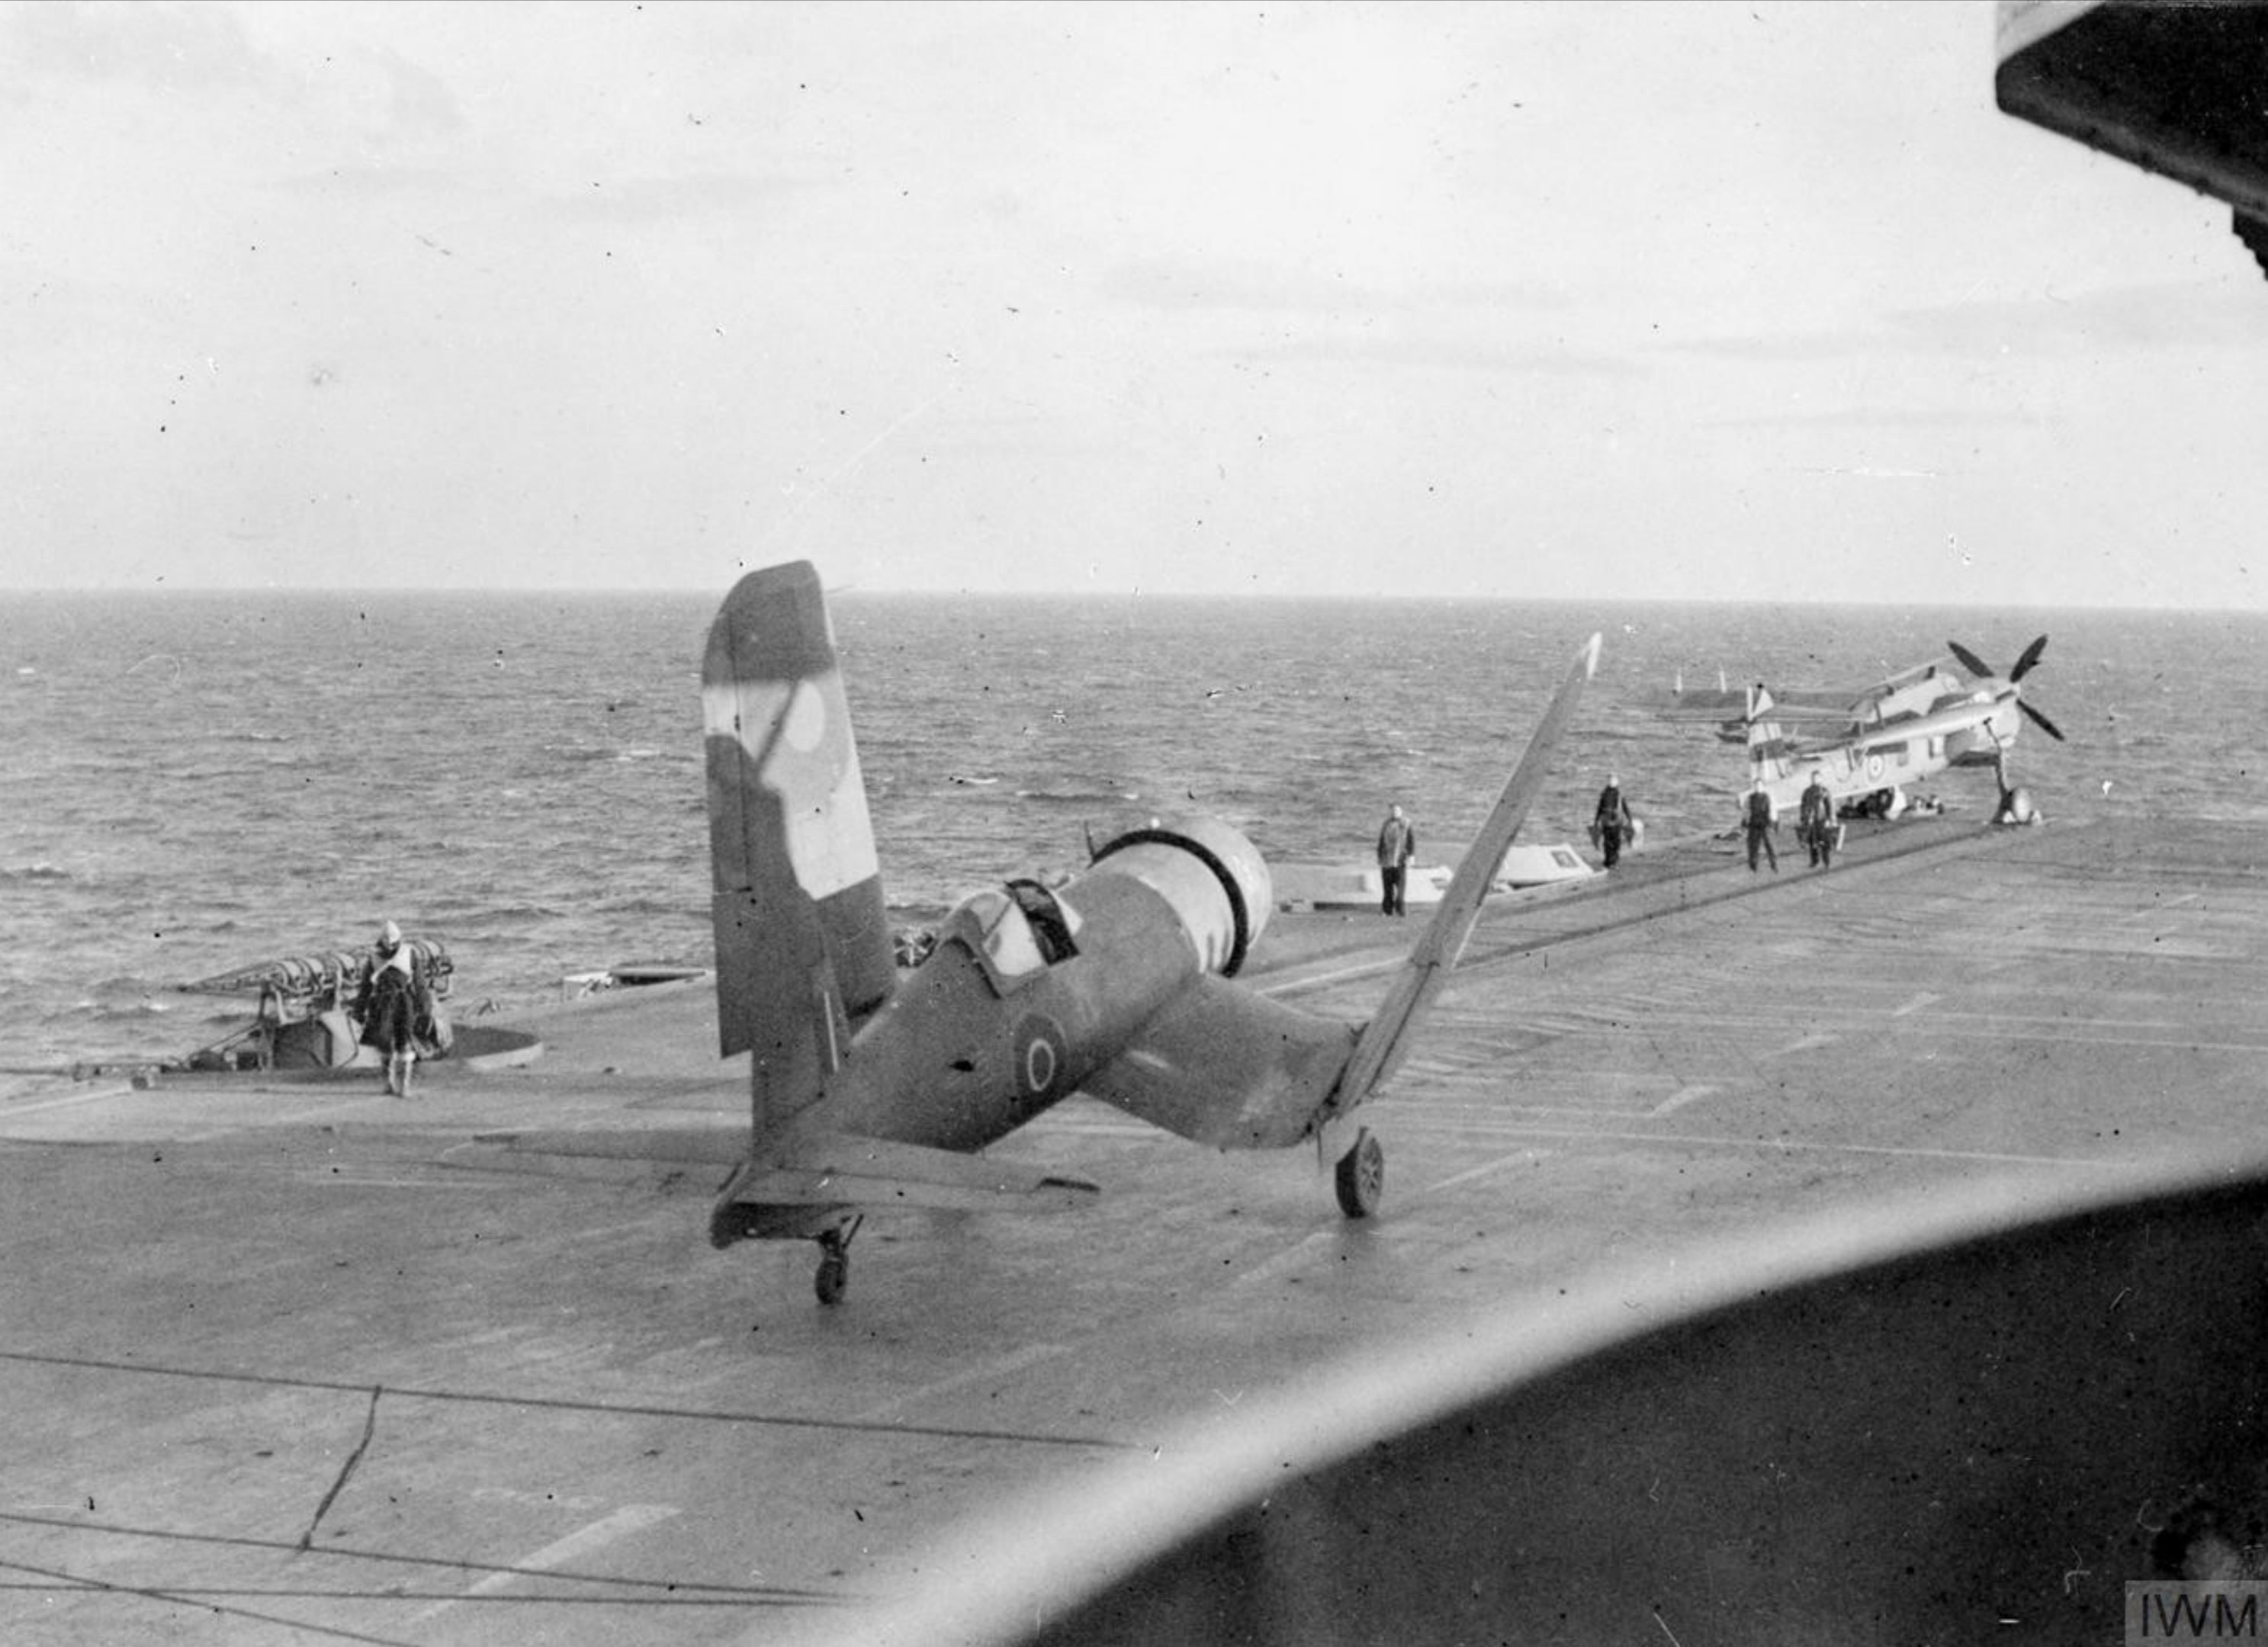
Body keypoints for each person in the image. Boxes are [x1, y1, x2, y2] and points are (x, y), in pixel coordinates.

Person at [356, 919, 420, 1096]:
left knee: (404, 1041)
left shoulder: (410, 955)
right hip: (382, 1003)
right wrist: (359, 1010)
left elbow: (419, 984)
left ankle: (404, 1086)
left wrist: (423, 1007)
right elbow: (366, 987)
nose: (390, 948)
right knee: (384, 1043)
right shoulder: (373, 959)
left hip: (403, 1001)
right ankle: (389, 1084)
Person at [1376, 803, 1416, 917]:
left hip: (1400, 860)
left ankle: (1401, 910)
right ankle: (1387, 910)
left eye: (1397, 810)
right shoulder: (1386, 824)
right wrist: (1379, 856)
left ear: (1401, 811)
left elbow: (1411, 841)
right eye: (1393, 811)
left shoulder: (1407, 823)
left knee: (1401, 887)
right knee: (1387, 888)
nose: (1395, 813)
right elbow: (1381, 841)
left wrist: (1411, 856)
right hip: (1387, 860)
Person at [1592, 774, 1636, 869]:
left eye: (1613, 780)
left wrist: (1630, 819)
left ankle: (1612, 862)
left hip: (1613, 822)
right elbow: (1600, 809)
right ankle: (1610, 862)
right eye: (1611, 780)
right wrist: (1596, 821)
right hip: (1610, 822)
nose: (1612, 782)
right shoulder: (1606, 794)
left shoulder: (1616, 795)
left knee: (1613, 842)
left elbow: (1624, 807)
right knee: (1611, 842)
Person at [1798, 769, 1836, 870]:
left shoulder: (1824, 791)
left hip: (1822, 820)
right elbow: (1803, 805)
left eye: (1817, 778)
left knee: (1823, 842)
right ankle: (1814, 861)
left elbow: (1830, 806)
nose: (1814, 779)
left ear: (1821, 779)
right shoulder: (1807, 792)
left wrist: (1830, 819)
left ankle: (1826, 862)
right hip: (1810, 821)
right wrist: (1803, 817)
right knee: (1812, 842)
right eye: (1813, 778)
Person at [1741, 784, 1779, 873]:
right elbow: (1746, 810)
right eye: (1756, 786)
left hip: (1765, 824)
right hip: (1754, 824)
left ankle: (1774, 865)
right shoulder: (1750, 798)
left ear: (1763, 787)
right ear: (1754, 787)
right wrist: (1745, 821)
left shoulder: (1767, 797)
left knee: (1770, 846)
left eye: (1760, 786)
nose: (1758, 788)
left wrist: (1774, 822)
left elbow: (1773, 809)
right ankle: (1753, 867)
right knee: (1753, 847)